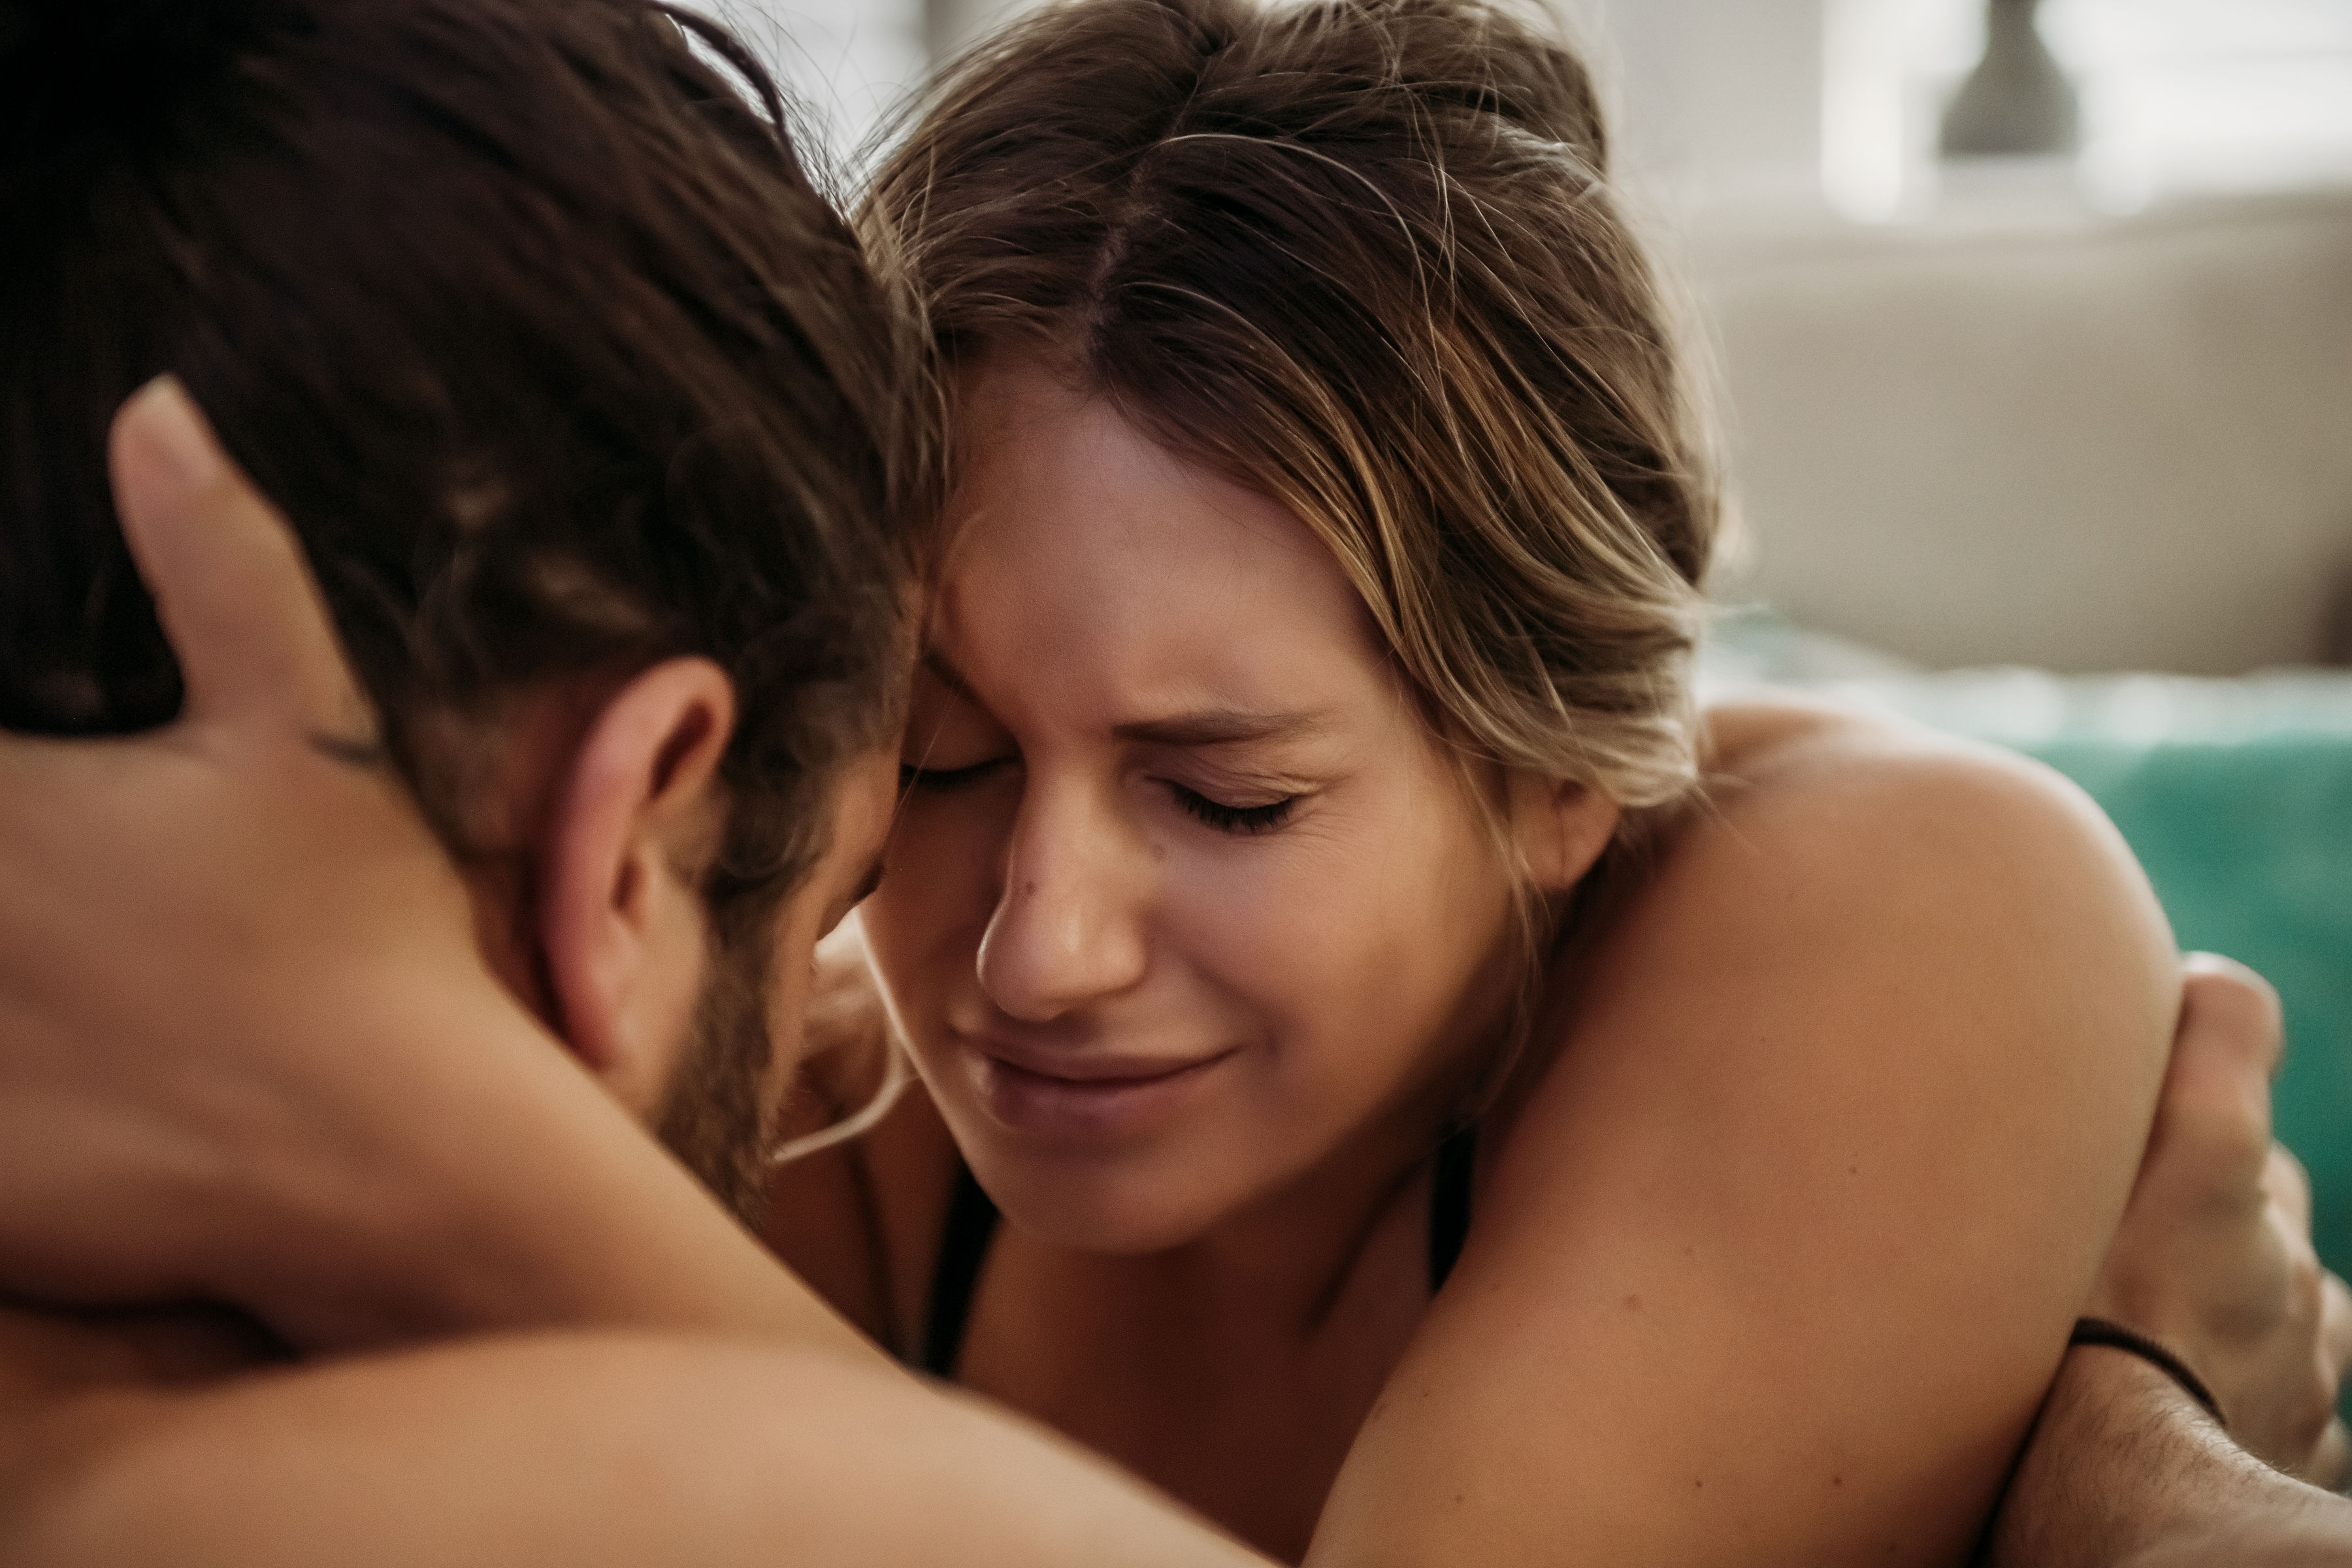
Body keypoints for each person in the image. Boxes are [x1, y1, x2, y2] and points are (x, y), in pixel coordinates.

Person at [0, 0, 2345, 1564]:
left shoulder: (1911, 892)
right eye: (935, 761)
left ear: (1549, 780)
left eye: (1224, 799)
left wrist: (394, 1111)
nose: (1033, 954)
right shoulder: (807, 1089)